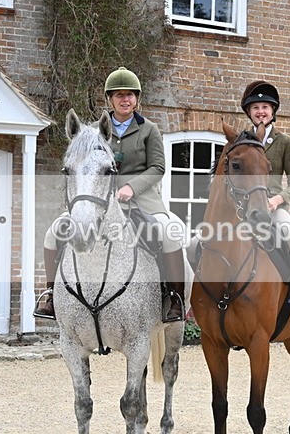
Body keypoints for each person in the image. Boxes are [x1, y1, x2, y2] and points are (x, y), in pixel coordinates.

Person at [34, 67, 186, 323]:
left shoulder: (149, 130)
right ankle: (51, 295)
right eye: (118, 95)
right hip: (96, 198)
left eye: (129, 95)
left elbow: (158, 167)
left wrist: (131, 187)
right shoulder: (91, 131)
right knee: (53, 234)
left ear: (137, 98)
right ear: (109, 99)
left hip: (142, 199)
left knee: (169, 233)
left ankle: (175, 299)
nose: (125, 100)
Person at [240, 80, 290, 318]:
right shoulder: (241, 141)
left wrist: (278, 200)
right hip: (245, 207)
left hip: (274, 208)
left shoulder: (285, 142)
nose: (261, 111)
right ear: (249, 112)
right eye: (256, 107)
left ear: (273, 111)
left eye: (265, 106)